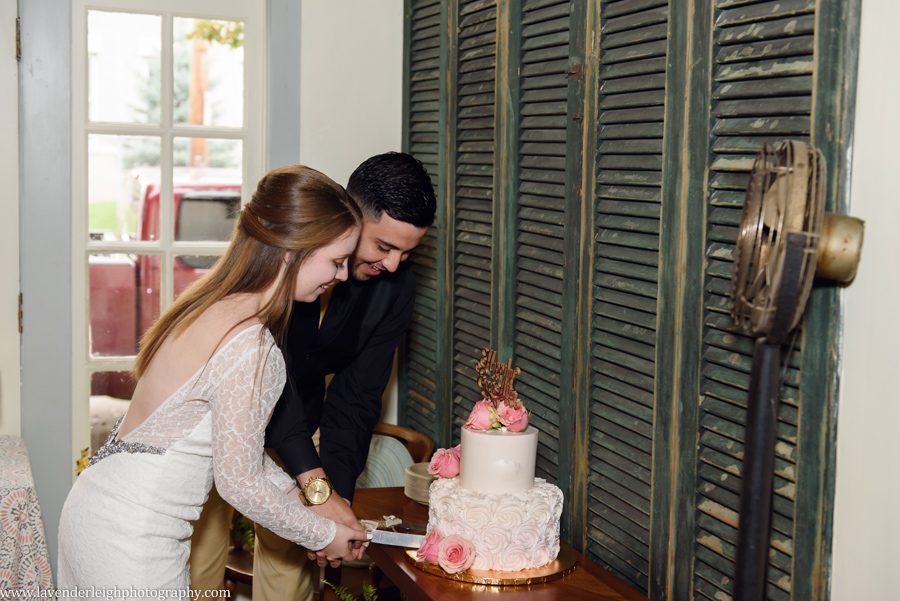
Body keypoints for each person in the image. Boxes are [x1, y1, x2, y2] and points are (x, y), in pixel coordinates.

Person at [57, 165, 370, 590]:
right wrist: (322, 535)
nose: (343, 275)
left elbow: (237, 450)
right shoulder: (250, 344)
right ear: (292, 250)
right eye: (336, 261)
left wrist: (305, 506)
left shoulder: (208, 306)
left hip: (94, 512)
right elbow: (239, 483)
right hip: (133, 540)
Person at [189, 152, 437, 600]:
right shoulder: (283, 257)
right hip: (220, 416)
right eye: (384, 247)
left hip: (300, 421)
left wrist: (332, 503)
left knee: (292, 568)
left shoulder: (395, 287)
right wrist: (315, 486)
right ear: (350, 216)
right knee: (198, 565)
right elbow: (267, 374)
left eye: (407, 252)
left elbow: (357, 397)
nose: (393, 265)